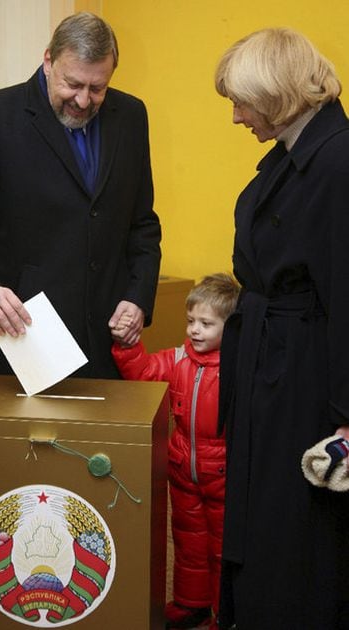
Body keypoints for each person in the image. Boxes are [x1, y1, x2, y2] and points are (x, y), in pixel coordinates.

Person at [0, 12, 161, 379]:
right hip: (25, 338)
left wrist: (138, 296)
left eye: (98, 88)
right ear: (47, 61)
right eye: (72, 84)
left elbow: (142, 222)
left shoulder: (131, 116)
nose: (84, 101)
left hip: (110, 343)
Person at [214, 28, 349, 630]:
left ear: (278, 94)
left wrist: (347, 414)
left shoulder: (339, 161)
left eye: (241, 102)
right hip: (275, 358)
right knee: (265, 512)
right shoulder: (301, 154)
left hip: (307, 376)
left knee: (294, 523)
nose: (237, 117)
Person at [111, 273, 240, 630]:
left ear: (231, 328)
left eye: (206, 323)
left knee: (220, 549)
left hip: (223, 476)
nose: (195, 330)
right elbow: (145, 372)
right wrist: (127, 348)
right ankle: (191, 602)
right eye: (191, 321)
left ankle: (221, 612)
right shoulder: (179, 359)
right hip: (183, 471)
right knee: (187, 541)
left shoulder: (237, 371)